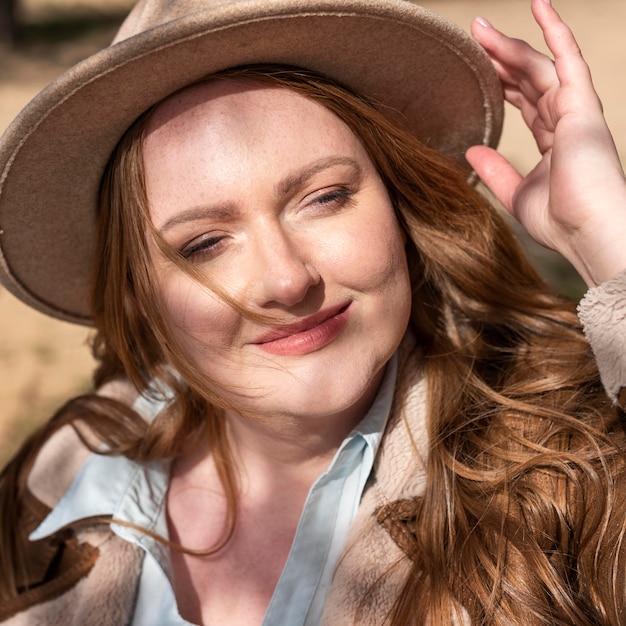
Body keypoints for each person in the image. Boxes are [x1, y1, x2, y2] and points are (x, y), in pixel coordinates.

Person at [1, 0, 626, 623]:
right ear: (138, 296)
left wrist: (608, 242)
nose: (287, 279)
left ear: (398, 203)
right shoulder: (56, 477)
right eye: (205, 244)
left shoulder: (573, 475)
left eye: (324, 198)